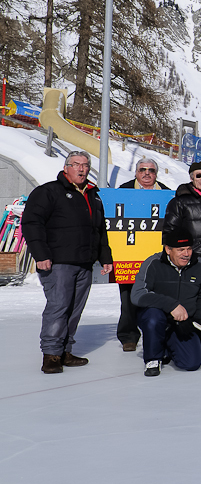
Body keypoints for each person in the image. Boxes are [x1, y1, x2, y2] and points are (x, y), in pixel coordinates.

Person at [22, 151, 113, 374]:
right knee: (59, 307)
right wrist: (41, 254)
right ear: (66, 168)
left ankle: (65, 351)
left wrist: (105, 258)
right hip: (58, 262)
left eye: (86, 165)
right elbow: (32, 223)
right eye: (77, 165)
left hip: (84, 262)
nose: (82, 169)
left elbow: (99, 230)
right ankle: (51, 355)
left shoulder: (93, 195)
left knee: (74, 308)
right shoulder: (48, 192)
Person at [131, 227, 201, 376]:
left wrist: (198, 323)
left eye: (189, 249)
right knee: (153, 317)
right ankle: (153, 359)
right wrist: (171, 305)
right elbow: (138, 295)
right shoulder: (153, 263)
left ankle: (168, 346)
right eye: (180, 250)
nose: (186, 254)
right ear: (168, 249)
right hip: (157, 318)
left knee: (191, 363)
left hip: (184, 322)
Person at [115, 158, 170, 352]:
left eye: (151, 170)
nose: (147, 173)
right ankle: (128, 335)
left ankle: (156, 331)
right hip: (129, 254)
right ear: (136, 172)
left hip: (157, 256)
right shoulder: (122, 191)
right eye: (142, 169)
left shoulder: (167, 193)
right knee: (128, 297)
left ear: (156, 174)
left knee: (158, 295)